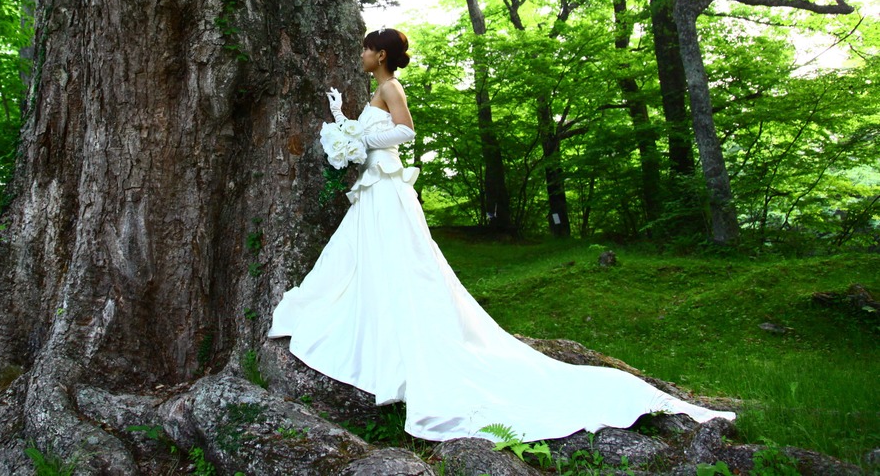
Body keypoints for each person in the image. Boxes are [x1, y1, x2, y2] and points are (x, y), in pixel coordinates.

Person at [268, 28, 735, 442]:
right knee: (363, 255)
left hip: (387, 190)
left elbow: (406, 132)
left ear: (382, 56)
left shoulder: (392, 86)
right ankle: (364, 318)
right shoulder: (378, 89)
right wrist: (344, 123)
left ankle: (402, 332)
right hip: (374, 188)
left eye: (368, 49)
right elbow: (374, 132)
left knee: (399, 259)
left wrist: (364, 140)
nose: (363, 54)